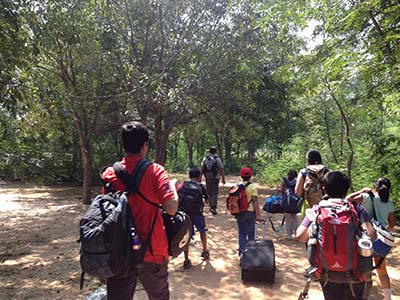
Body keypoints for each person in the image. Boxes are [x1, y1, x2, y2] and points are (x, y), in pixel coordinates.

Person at [101, 121, 178, 300]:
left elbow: (106, 210)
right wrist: (173, 187)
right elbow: (171, 208)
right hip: (152, 251)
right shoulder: (155, 171)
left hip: (120, 251)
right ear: (145, 146)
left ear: (123, 145)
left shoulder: (109, 174)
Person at [296, 171, 376, 300]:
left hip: (327, 271)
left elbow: (300, 236)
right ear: (346, 190)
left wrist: (315, 230)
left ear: (324, 189)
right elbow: (372, 235)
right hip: (355, 271)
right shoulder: (356, 209)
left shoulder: (317, 209)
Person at [347, 177, 396, 300]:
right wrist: (382, 230)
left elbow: (346, 200)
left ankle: (361, 296)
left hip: (366, 239)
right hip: (380, 241)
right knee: (382, 271)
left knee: (363, 270)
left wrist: (360, 191)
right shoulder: (389, 203)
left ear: (374, 186)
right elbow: (391, 224)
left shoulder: (367, 197)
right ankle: (388, 297)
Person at [177, 167, 211, 270]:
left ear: (189, 176)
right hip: (197, 214)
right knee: (202, 231)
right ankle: (205, 251)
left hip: (185, 214)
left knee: (185, 236)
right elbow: (207, 200)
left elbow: (177, 196)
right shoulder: (201, 186)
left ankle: (186, 260)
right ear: (199, 176)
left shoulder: (182, 185)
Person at [236, 167, 264, 255]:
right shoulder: (253, 187)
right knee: (251, 233)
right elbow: (255, 201)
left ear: (241, 176)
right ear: (250, 176)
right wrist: (258, 215)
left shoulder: (237, 186)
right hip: (250, 213)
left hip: (240, 213)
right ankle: (251, 253)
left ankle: (242, 252)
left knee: (242, 233)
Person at [295, 150, 329, 214]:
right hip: (326, 207)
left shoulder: (304, 172)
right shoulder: (328, 172)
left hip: (308, 207)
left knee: (306, 223)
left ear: (308, 160)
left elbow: (298, 192)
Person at [200, 146, 225, 215]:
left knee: (209, 191)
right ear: (215, 151)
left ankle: (209, 205)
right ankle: (213, 207)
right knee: (214, 192)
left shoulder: (205, 158)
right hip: (216, 177)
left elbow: (202, 168)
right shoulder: (217, 159)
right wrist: (223, 178)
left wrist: (200, 177)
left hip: (208, 177)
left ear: (209, 151)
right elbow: (221, 169)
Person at [280, 169, 299, 240]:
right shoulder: (297, 182)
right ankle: (297, 234)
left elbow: (281, 190)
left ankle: (288, 235)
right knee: (294, 218)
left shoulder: (284, 181)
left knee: (287, 219)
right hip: (295, 203)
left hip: (286, 203)